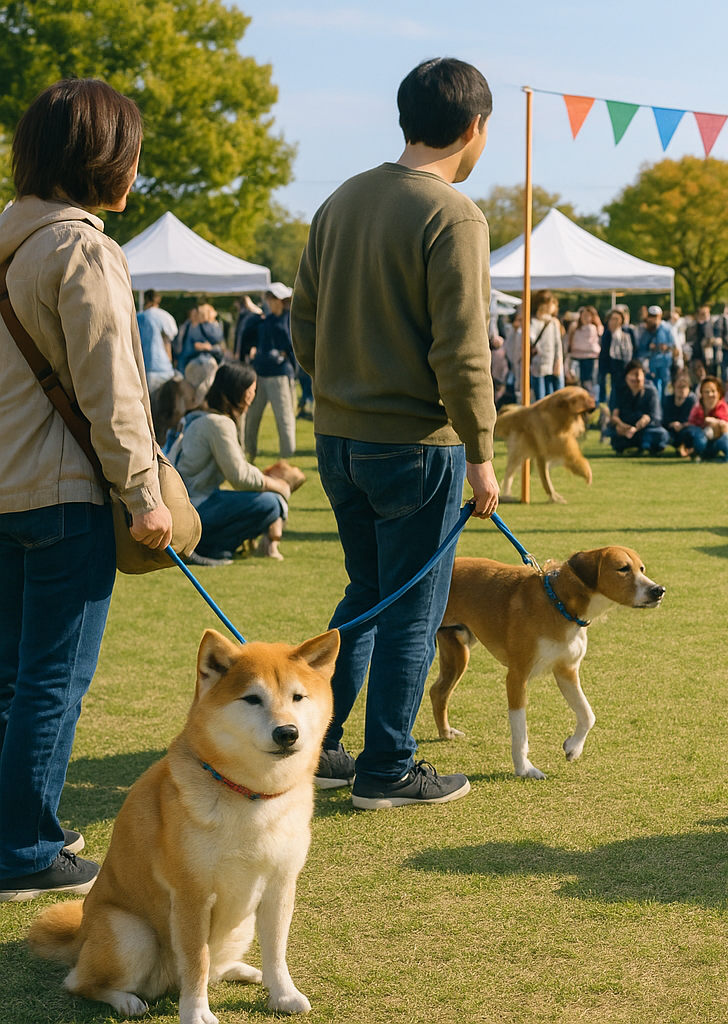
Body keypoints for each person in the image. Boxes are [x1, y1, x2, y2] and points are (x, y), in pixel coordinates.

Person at [291, 57, 500, 809]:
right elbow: (463, 349)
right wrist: (481, 450)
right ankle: (388, 770)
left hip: (338, 437)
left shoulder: (342, 199)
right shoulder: (454, 213)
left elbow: (303, 324)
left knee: (368, 597)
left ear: (405, 119)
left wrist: (340, 392)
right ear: (475, 129)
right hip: (417, 445)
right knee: (413, 610)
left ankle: (319, 744)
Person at [0, 78, 172, 900]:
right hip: (63, 493)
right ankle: (27, 848)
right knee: (52, 678)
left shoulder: (6, 239)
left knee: (9, 673)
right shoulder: (82, 249)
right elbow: (113, 388)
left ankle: (14, 826)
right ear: (104, 158)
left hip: (2, 490)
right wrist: (144, 493)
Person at [171, 363, 290, 564]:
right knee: (270, 503)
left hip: (186, 506)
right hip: (197, 508)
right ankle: (210, 546)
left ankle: (213, 546)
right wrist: (278, 485)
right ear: (239, 392)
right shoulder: (219, 424)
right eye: (251, 390)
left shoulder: (199, 417)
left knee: (264, 498)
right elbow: (239, 476)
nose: (253, 396)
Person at [239, 283, 298, 461]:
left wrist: (284, 355)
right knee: (252, 417)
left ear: (280, 301)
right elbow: (247, 337)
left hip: (280, 374)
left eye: (271, 299)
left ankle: (287, 457)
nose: (268, 302)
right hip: (260, 373)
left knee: (284, 417)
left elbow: (294, 346)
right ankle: (248, 453)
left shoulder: (289, 319)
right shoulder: (264, 320)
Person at [611, 360, 669, 454]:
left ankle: (646, 445)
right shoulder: (619, 391)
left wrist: (635, 428)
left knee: (661, 434)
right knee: (614, 432)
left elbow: (650, 416)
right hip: (625, 427)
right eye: (633, 374)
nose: (636, 378)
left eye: (639, 375)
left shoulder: (650, 391)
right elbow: (614, 415)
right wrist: (622, 426)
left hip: (645, 428)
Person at [679, 375, 728, 462]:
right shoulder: (697, 408)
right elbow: (691, 427)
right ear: (702, 393)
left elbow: (727, 428)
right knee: (697, 435)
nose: (710, 394)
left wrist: (716, 422)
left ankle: (727, 458)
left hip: (718, 439)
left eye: (713, 391)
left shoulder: (724, 408)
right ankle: (700, 455)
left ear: (718, 392)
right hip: (703, 440)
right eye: (706, 392)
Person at [522, 290, 563, 401]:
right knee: (540, 398)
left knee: (550, 397)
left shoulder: (553, 322)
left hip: (550, 365)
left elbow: (557, 345)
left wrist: (558, 363)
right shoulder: (531, 321)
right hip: (537, 365)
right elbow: (529, 340)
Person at [136, 288, 178, 393]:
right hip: (164, 368)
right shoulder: (166, 317)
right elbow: (168, 341)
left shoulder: (138, 317)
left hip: (143, 368)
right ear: (158, 299)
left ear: (145, 299)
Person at [599, 307, 634, 412]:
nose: (613, 322)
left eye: (616, 319)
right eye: (612, 319)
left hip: (621, 369)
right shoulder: (606, 335)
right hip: (608, 369)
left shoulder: (626, 335)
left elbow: (629, 353)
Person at [565, 305, 601, 399]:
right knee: (576, 380)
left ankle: (590, 400)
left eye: (588, 315)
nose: (586, 318)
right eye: (584, 315)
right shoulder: (574, 327)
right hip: (576, 357)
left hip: (590, 358)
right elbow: (569, 340)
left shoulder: (596, 327)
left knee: (588, 381)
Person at [636, 304, 678, 385]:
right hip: (652, 363)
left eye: (656, 316)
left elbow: (674, 346)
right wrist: (649, 346)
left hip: (665, 363)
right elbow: (641, 347)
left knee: (666, 385)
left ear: (660, 316)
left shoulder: (668, 328)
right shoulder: (646, 330)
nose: (654, 319)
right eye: (651, 316)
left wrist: (666, 347)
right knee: (653, 384)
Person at [177, 301, 225, 371]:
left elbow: (217, 341)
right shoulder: (189, 326)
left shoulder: (209, 326)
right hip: (193, 362)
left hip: (206, 362)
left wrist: (208, 347)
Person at [660, 371, 698, 450]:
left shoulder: (692, 401)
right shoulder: (667, 400)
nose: (681, 390)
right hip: (670, 430)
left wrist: (683, 425)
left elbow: (695, 420)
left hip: (686, 429)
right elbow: (663, 418)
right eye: (678, 387)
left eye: (684, 387)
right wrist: (672, 424)